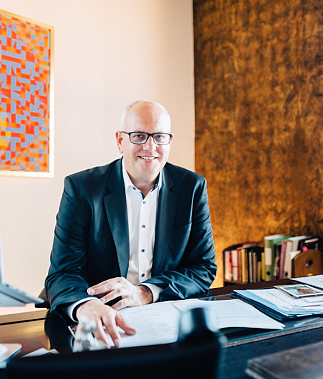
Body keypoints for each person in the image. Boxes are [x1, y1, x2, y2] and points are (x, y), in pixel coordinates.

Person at [45, 100, 217, 348]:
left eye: (159, 137)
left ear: (169, 141)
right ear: (120, 141)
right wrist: (85, 305)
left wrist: (146, 292)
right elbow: (62, 272)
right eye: (138, 136)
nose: (150, 146)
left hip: (164, 320)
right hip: (102, 325)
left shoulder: (192, 187)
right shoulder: (81, 189)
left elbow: (203, 266)